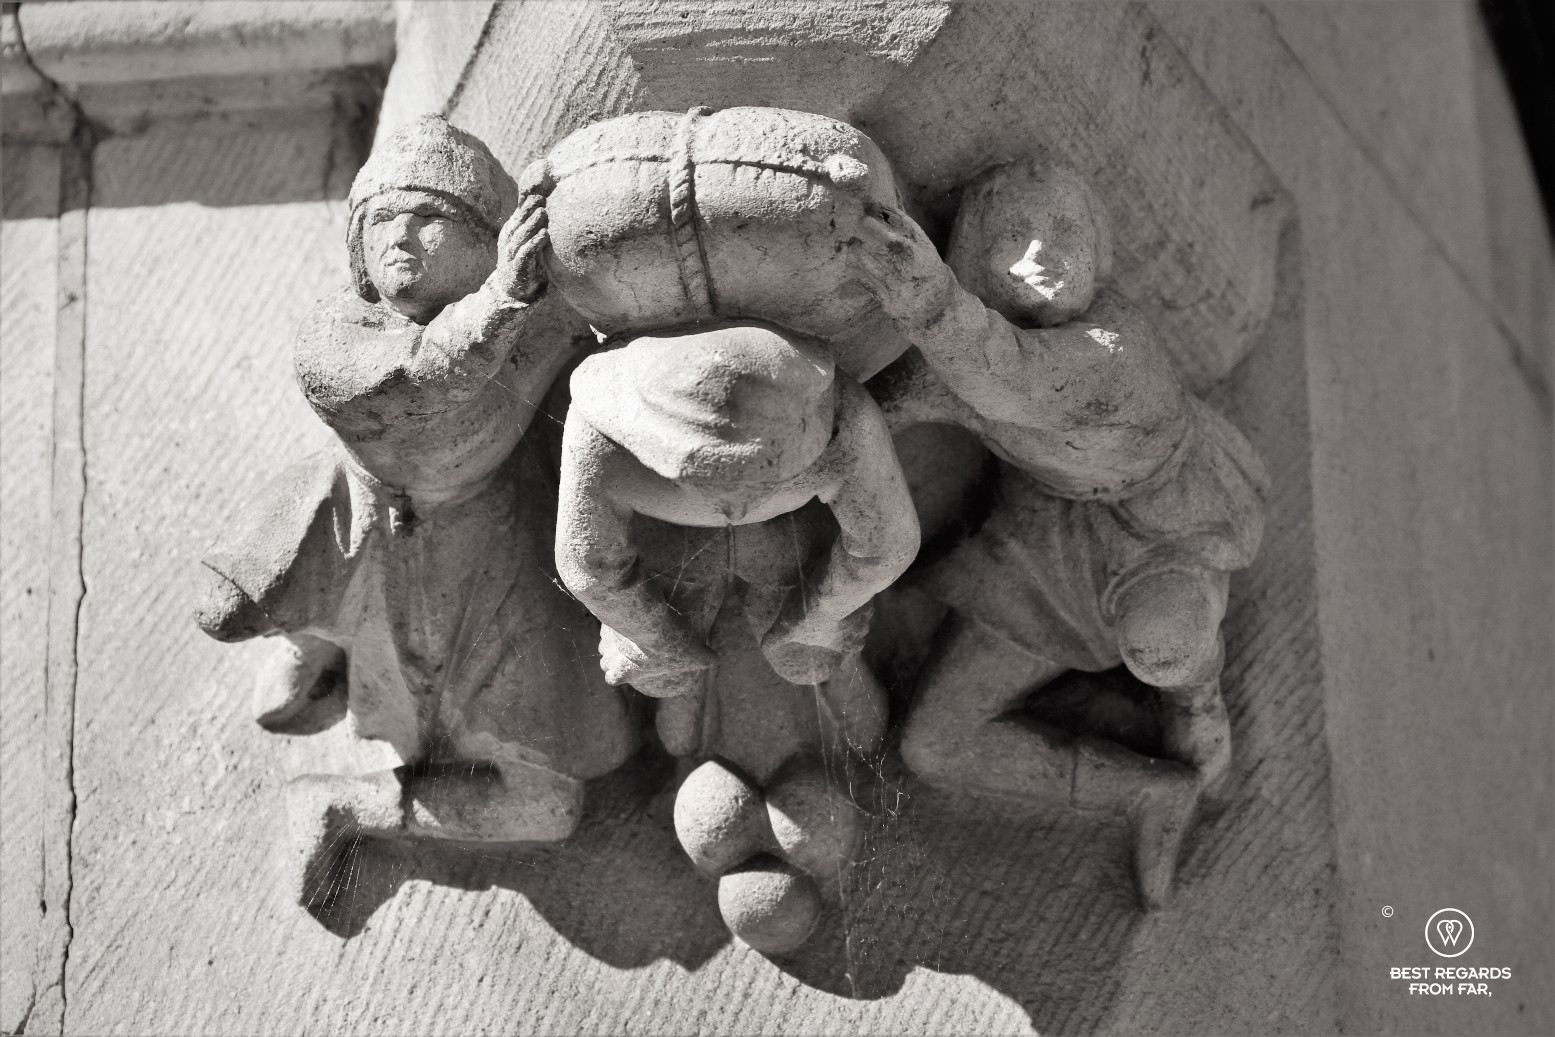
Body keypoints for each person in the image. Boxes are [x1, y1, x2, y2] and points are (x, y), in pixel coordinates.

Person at [193, 116, 634, 907]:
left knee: (544, 801)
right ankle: (319, 638)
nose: (403, 238)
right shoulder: (337, 337)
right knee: (226, 606)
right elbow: (418, 386)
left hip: (492, 539)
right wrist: (504, 296)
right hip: (357, 511)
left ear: (488, 238)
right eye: (382, 221)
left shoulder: (540, 324)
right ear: (355, 249)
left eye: (432, 218)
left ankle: (342, 800)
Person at [856, 160, 1267, 907]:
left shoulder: (1114, 351)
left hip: (1165, 531)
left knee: (1161, 641)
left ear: (1100, 248)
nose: (1039, 257)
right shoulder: (960, 366)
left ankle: (1195, 699)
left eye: (1061, 233)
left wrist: (927, 302)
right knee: (934, 744)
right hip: (1044, 544)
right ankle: (1140, 794)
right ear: (975, 262)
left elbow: (1012, 378)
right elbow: (864, 418)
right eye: (1011, 242)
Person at [555, 320, 920, 951]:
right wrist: (826, 635)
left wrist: (667, 651)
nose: (731, 505)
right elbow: (863, 722)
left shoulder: (832, 429)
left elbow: (676, 728)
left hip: (705, 580)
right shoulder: (620, 436)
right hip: (778, 572)